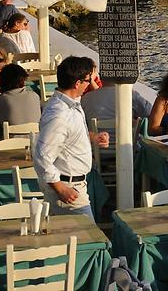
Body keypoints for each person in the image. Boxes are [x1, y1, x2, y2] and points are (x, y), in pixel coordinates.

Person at [33, 56, 109, 221]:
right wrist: (61, 189)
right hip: (68, 188)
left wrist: (94, 137)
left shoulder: (72, 103)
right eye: (88, 80)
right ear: (77, 83)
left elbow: (72, 134)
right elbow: (42, 156)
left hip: (76, 185)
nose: (90, 84)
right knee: (91, 241)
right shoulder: (59, 114)